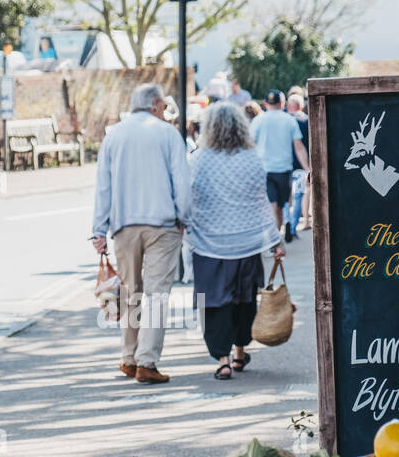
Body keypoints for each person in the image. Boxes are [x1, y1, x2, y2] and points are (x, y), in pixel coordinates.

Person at [91, 83, 191, 384]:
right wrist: (183, 217)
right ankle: (147, 361)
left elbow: (103, 186)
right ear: (156, 104)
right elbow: (181, 180)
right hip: (163, 224)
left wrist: (98, 229)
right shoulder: (168, 134)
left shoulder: (114, 135)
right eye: (162, 105)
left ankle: (129, 357)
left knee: (130, 291)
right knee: (157, 294)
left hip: (123, 226)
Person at [186, 102, 285, 380]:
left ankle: (223, 359)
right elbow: (261, 204)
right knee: (244, 299)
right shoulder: (252, 159)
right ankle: (241, 351)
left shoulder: (198, 159)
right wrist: (275, 241)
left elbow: (189, 200)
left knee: (215, 303)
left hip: (209, 245)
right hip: (246, 244)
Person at [249, 90, 309, 241]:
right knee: (279, 205)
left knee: (274, 205)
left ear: (265, 103)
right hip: (283, 170)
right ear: (282, 104)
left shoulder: (258, 120)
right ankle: (275, 237)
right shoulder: (288, 120)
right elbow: (298, 146)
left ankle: (274, 236)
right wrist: (307, 168)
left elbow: (250, 145)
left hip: (264, 169)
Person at [286, 93, 311, 238]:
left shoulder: (283, 121)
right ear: (301, 106)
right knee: (298, 197)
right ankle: (294, 226)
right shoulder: (306, 120)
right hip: (301, 166)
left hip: (285, 165)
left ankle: (286, 221)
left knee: (284, 199)